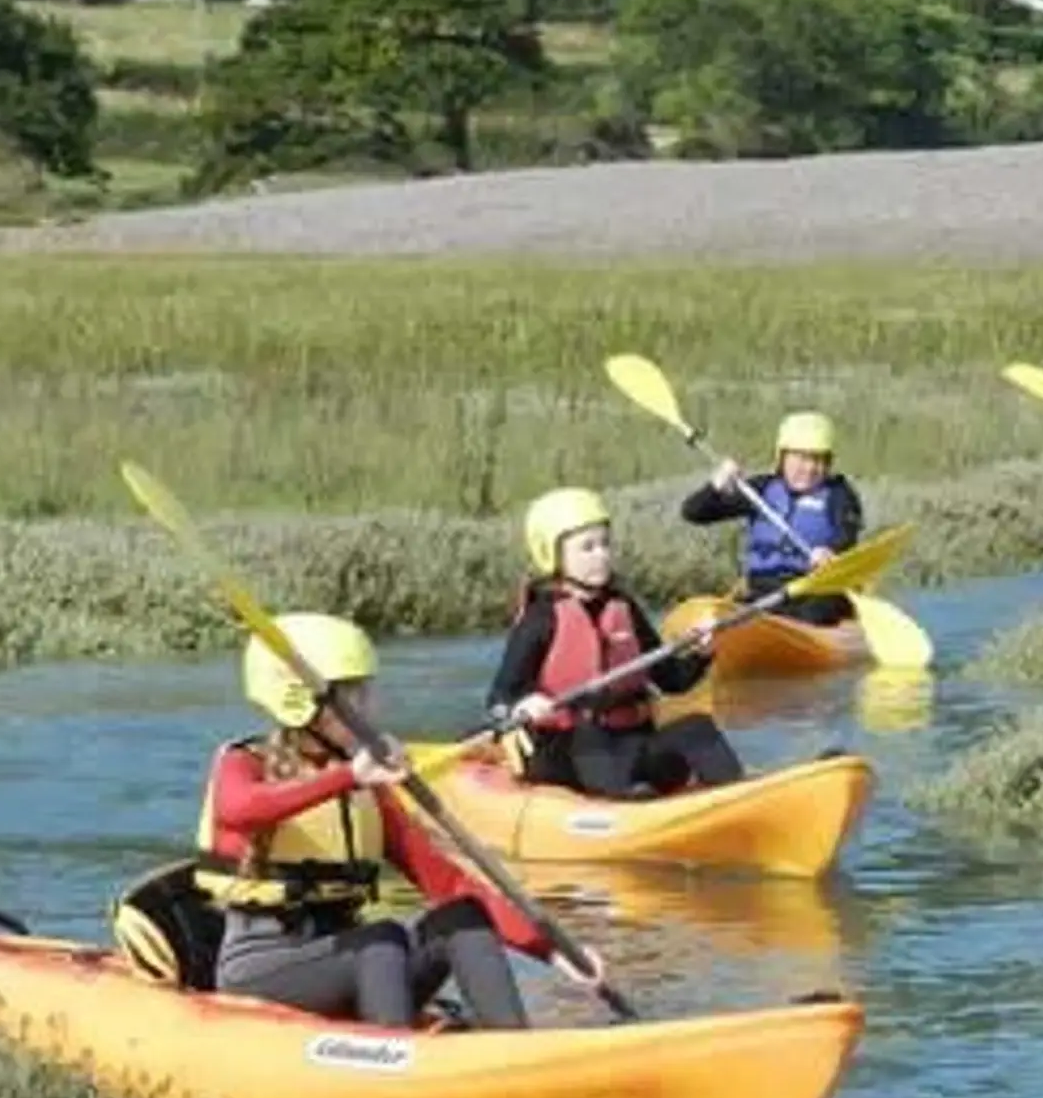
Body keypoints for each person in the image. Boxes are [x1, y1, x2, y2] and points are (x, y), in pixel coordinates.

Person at [194, 612, 559, 1030]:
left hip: (353, 959)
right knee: (381, 941)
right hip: (264, 969)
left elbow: (447, 882)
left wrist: (548, 948)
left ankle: (513, 1043)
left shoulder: (366, 787)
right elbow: (240, 809)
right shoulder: (244, 764)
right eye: (356, 696)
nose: (372, 707)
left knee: (463, 915)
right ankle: (395, 1053)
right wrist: (348, 775)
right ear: (304, 705)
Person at [487, 486, 746, 800]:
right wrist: (523, 705)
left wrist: (702, 652)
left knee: (697, 729)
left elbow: (671, 680)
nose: (602, 555)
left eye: (605, 544)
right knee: (590, 736)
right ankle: (630, 803)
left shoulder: (623, 607)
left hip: (632, 745)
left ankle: (741, 797)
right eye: (588, 547)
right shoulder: (541, 618)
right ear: (552, 555)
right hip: (565, 755)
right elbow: (499, 699)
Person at [679, 411, 862, 627]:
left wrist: (830, 551)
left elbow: (847, 534)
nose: (810, 468)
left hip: (815, 590)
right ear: (782, 457)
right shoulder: (761, 489)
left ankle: (795, 633)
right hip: (763, 592)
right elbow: (693, 513)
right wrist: (716, 485)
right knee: (725, 616)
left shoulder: (839, 494)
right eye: (802, 458)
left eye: (819, 459)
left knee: (816, 610)